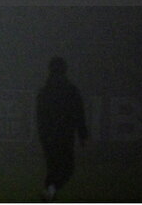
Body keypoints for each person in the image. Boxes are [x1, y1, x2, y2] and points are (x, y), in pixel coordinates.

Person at [36, 57, 88, 202]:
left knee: (52, 170)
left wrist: (43, 136)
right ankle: (50, 193)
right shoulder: (70, 90)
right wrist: (82, 134)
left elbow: (40, 116)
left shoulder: (45, 91)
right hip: (65, 136)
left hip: (49, 137)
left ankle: (49, 195)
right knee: (67, 169)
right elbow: (78, 112)